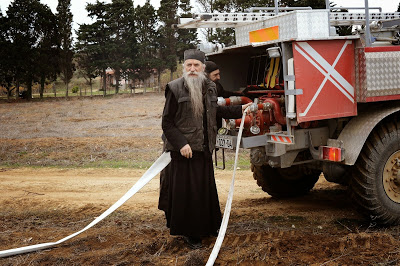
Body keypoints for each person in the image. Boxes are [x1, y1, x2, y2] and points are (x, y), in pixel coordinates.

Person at [159, 49, 250, 249]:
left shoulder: (210, 86)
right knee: (187, 194)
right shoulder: (174, 88)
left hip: (204, 148)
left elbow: (215, 111)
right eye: (189, 65)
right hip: (184, 151)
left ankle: (208, 226)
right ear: (184, 67)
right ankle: (189, 233)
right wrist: (181, 144)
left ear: (202, 68)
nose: (192, 69)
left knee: (204, 191)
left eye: (196, 65)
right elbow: (167, 123)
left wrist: (238, 109)